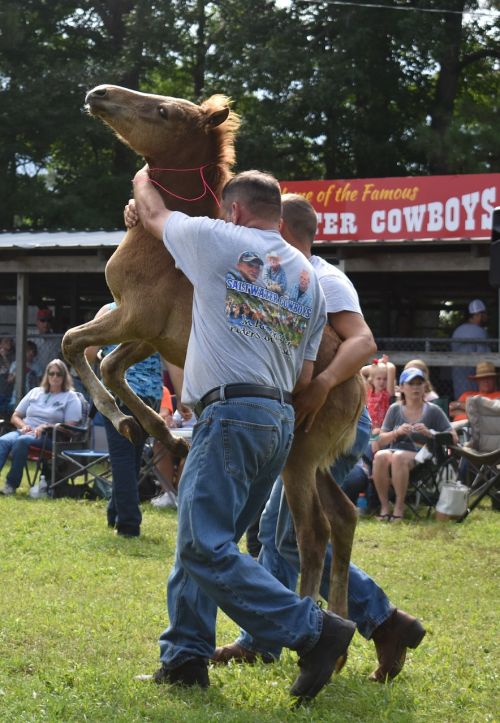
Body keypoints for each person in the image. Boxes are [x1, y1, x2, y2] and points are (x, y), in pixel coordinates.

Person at [131, 167, 355, 701]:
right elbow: (304, 377)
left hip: (230, 414)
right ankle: (185, 657)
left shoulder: (219, 241)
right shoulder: (306, 275)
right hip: (277, 421)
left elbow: (156, 215)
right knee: (203, 539)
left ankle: (313, 630)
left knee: (203, 544)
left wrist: (143, 175)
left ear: (233, 211)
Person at [213, 194, 426, 683]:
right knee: (283, 532)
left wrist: (322, 385)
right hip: (313, 414)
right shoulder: (281, 274)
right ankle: (284, 634)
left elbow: (364, 342)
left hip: (330, 414)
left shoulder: (321, 276)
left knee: (289, 537)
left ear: (281, 227)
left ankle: (373, 623)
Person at [85, 302, 163, 538]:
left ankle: (129, 523)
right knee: (133, 457)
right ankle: (114, 512)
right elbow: (170, 358)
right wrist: (181, 399)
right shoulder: (157, 311)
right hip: (150, 397)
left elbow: (88, 351)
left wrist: (100, 359)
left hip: (119, 392)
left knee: (121, 459)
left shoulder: (110, 310)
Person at [372, 366, 457, 522]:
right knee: (380, 456)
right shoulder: (394, 409)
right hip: (396, 451)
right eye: (411, 383)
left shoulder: (433, 410)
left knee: (398, 457)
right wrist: (396, 432)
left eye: (419, 383)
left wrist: (429, 433)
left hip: (424, 456)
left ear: (425, 386)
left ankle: (399, 507)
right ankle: (384, 507)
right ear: (402, 388)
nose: (416, 387)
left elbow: (453, 438)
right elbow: (380, 440)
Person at [0, 359, 81, 495]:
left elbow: (70, 427)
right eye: (51, 373)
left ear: (64, 376)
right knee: (2, 441)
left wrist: (46, 427)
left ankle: (10, 485)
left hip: (50, 438)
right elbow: (16, 416)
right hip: (26, 431)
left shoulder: (71, 397)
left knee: (21, 442)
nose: (54, 377)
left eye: (58, 374)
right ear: (47, 375)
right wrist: (24, 426)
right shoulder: (35, 392)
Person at [451, 299, 490, 398]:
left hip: (458, 375)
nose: (486, 317)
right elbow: (485, 358)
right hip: (475, 377)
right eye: (484, 314)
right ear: (478, 315)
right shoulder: (480, 332)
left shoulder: (457, 331)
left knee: (461, 402)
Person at [361, 355, 396, 434]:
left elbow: (391, 368)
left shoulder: (388, 393)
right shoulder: (368, 391)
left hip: (383, 432)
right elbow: (361, 371)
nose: (382, 382)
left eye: (385, 379)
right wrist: (376, 365)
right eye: (378, 378)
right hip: (369, 430)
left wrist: (385, 364)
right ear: (372, 380)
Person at [8, 340, 42, 408]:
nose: (31, 353)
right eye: (29, 351)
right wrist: (18, 372)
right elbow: (9, 380)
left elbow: (39, 383)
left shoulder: (37, 366)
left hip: (32, 397)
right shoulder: (15, 364)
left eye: (33, 351)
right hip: (17, 397)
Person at [0, 336, 15, 415]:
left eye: (10, 341)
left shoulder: (13, 355)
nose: (9, 343)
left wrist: (4, 357)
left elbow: (12, 370)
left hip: (10, 389)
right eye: (6, 341)